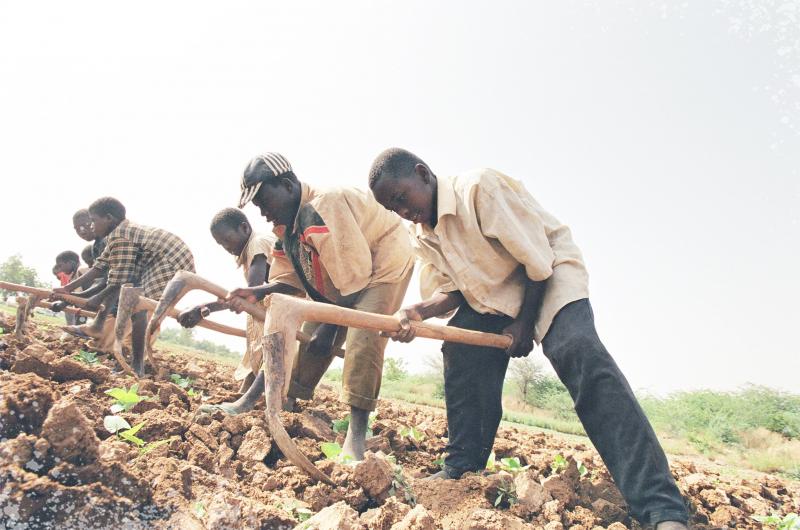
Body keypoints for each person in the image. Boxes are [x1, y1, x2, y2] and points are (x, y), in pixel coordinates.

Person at [367, 147, 689, 530]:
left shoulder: (478, 189)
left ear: (422, 174)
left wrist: (524, 323)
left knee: (577, 351)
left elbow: (537, 260)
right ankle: (462, 466)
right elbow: (456, 290)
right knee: (461, 348)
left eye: (402, 198)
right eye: (393, 208)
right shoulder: (422, 234)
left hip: (548, 273)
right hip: (494, 293)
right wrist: (417, 311)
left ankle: (660, 506)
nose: (402, 211)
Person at [226, 152, 414, 460]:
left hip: (383, 265)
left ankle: (356, 434)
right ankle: (284, 402)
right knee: (312, 340)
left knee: (363, 332)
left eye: (262, 201)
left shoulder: (326, 206)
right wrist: (258, 290)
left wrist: (332, 324)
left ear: (287, 186)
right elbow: (289, 281)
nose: (261, 212)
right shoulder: (286, 226)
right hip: (345, 277)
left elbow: (354, 281)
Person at [56, 197, 195, 376]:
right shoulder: (115, 235)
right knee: (134, 304)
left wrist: (94, 299)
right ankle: (131, 361)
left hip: (171, 263)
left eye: (93, 221)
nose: (91, 227)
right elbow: (100, 267)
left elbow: (120, 280)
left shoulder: (121, 236)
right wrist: (67, 289)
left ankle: (136, 366)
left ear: (108, 218)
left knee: (138, 307)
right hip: (159, 263)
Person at [178, 207, 276, 393]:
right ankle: (245, 394)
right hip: (273, 312)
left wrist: (204, 307)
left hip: (285, 311)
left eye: (227, 239)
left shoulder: (257, 243)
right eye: (221, 244)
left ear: (244, 228)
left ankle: (255, 399)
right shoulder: (251, 249)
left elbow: (249, 294)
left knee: (270, 355)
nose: (226, 247)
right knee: (259, 351)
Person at [51, 251, 86, 326]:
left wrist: (63, 303)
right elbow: (74, 296)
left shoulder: (82, 271)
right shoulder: (72, 277)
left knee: (81, 327)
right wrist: (62, 303)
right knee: (78, 327)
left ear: (71, 263)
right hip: (81, 309)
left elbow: (82, 296)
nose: (61, 269)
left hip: (88, 309)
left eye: (61, 265)